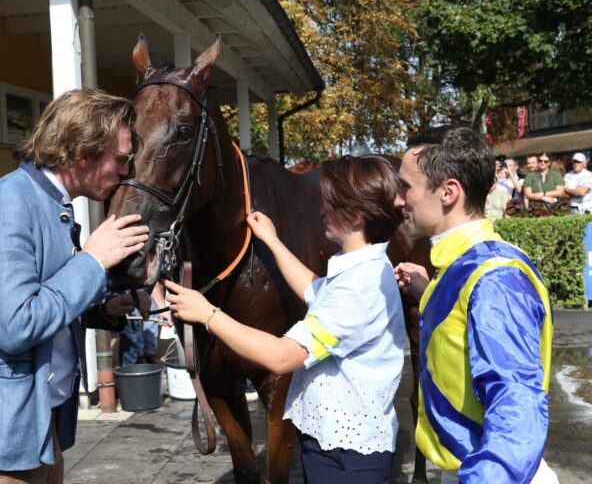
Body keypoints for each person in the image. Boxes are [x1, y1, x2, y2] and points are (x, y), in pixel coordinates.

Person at [0, 88, 149, 483]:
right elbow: (15, 325)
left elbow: (44, 293)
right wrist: (93, 261)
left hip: (36, 431)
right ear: (83, 153)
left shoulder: (50, 202)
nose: (127, 171)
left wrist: (102, 306)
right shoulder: (8, 201)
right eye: (121, 158)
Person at [165, 155, 406, 483]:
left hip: (346, 458)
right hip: (337, 445)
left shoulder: (357, 288)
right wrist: (273, 242)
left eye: (329, 204)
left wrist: (208, 313)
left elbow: (282, 357)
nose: (320, 210)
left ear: (356, 217)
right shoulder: (362, 267)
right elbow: (313, 290)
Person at [393, 126, 556, 484]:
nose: (397, 201)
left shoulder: (494, 280)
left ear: (449, 192)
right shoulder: (462, 269)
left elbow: (516, 406)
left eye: (406, 187)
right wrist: (431, 293)